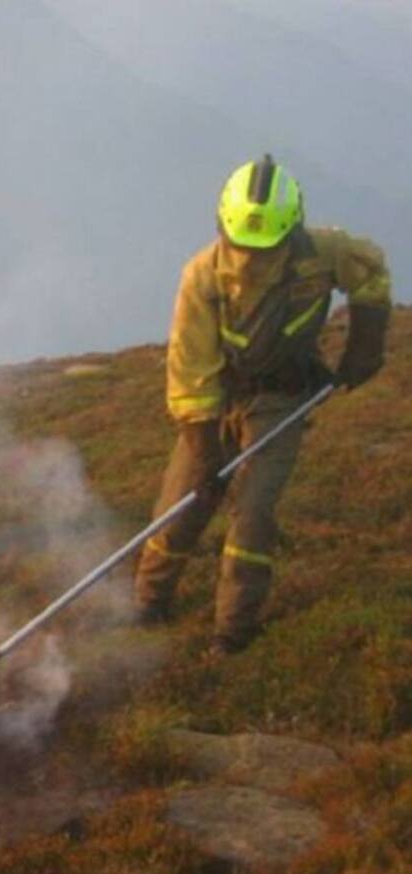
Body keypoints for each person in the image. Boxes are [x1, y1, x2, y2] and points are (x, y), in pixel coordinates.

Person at [134, 153, 392, 656]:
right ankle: (148, 602)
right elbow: (190, 373)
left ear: (291, 230)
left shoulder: (325, 253)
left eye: (267, 246)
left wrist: (366, 342)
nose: (252, 258)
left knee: (252, 515)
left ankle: (232, 632)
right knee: (181, 507)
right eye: (241, 245)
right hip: (218, 402)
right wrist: (207, 451)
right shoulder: (203, 277)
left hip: (282, 398)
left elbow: (370, 273)